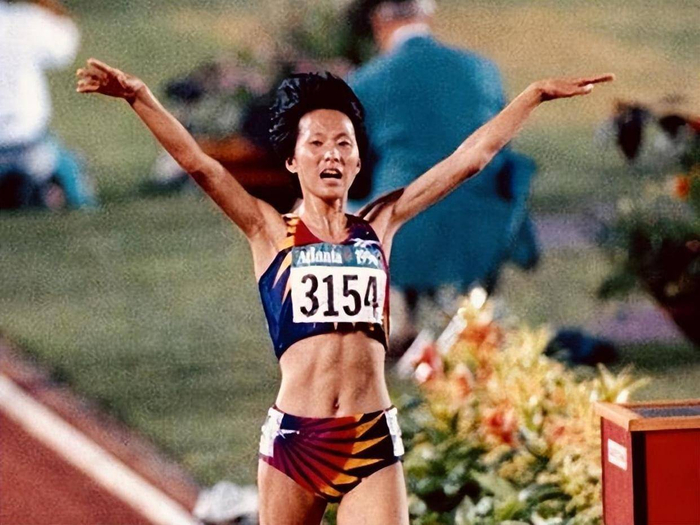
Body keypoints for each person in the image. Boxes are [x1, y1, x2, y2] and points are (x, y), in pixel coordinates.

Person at [76, 56, 612, 523]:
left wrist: (532, 96)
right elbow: (201, 166)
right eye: (316, 144)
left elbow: (468, 160)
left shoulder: (381, 224)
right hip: (296, 443)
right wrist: (139, 97)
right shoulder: (269, 230)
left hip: (370, 438)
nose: (330, 154)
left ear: (358, 161)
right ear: (293, 160)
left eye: (343, 144)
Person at [347, 0, 539, 343]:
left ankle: (390, 315)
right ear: (427, 14)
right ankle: (460, 319)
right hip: (485, 225)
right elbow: (503, 147)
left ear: (377, 22)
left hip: (404, 230)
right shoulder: (482, 70)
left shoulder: (366, 80)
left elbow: (354, 167)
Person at [0, 0, 95, 210]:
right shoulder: (26, 20)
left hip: (22, 144)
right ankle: (85, 210)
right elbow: (65, 46)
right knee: (73, 172)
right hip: (29, 143)